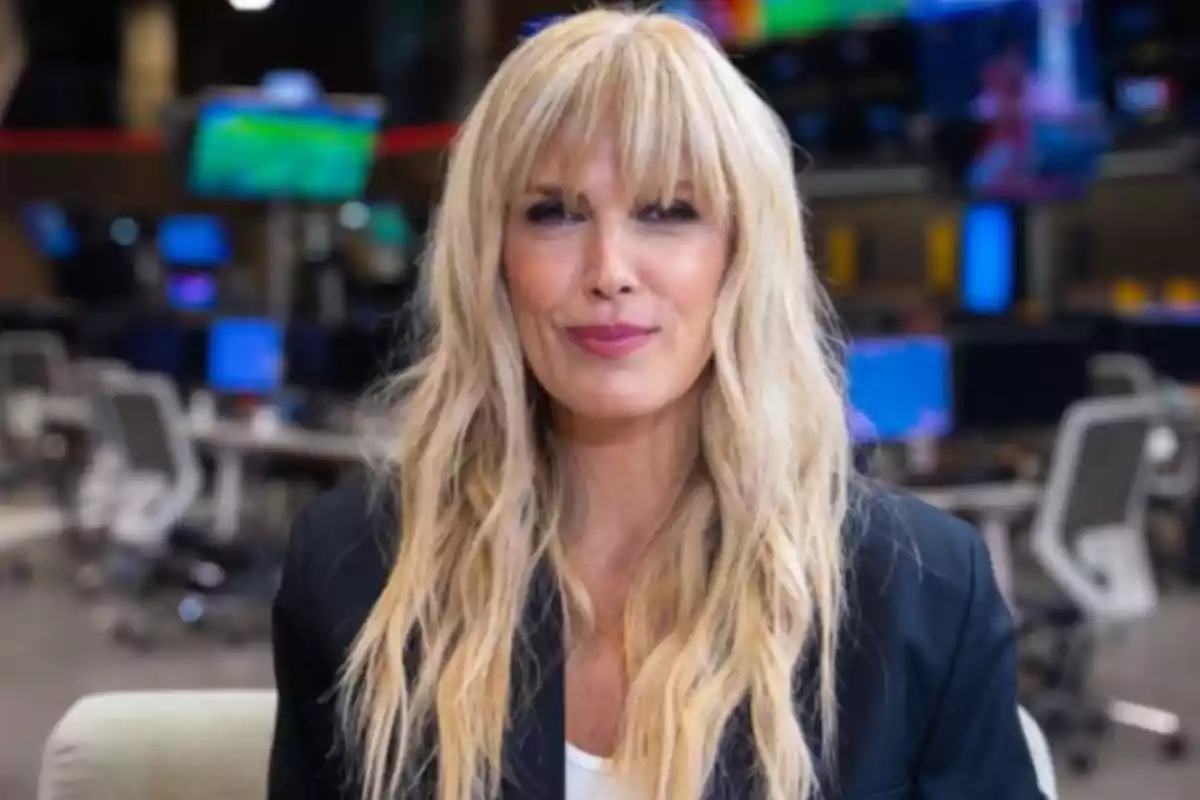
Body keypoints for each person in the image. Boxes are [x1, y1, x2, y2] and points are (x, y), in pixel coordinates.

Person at [269, 9, 1046, 800]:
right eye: (555, 213)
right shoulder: (352, 570)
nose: (610, 270)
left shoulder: (923, 592)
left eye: (668, 212)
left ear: (739, 257)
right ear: (491, 259)